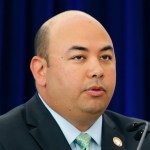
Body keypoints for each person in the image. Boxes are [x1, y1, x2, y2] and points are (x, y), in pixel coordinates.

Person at [0, 10, 149, 150]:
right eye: (79, 57)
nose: (97, 71)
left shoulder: (141, 139)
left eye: (105, 57)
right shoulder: (5, 138)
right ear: (41, 70)